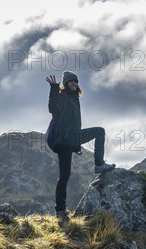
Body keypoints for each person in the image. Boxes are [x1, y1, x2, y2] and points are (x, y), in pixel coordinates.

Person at [46, 71, 115, 218]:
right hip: (63, 141)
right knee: (64, 176)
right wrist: (53, 87)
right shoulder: (62, 97)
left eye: (76, 81)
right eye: (71, 81)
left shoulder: (74, 98)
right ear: (65, 83)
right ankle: (60, 210)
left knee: (99, 132)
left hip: (74, 137)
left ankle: (99, 164)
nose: (74, 83)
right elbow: (52, 108)